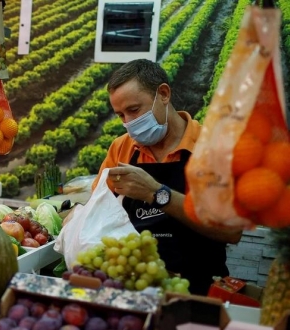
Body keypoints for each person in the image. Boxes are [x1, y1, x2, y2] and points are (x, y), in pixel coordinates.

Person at [91, 59, 241, 295]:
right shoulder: (121, 149)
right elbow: (96, 211)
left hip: (198, 288)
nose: (128, 124)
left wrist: (156, 193)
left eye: (134, 110)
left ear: (163, 94)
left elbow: (231, 231)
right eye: (120, 115)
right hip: (135, 285)